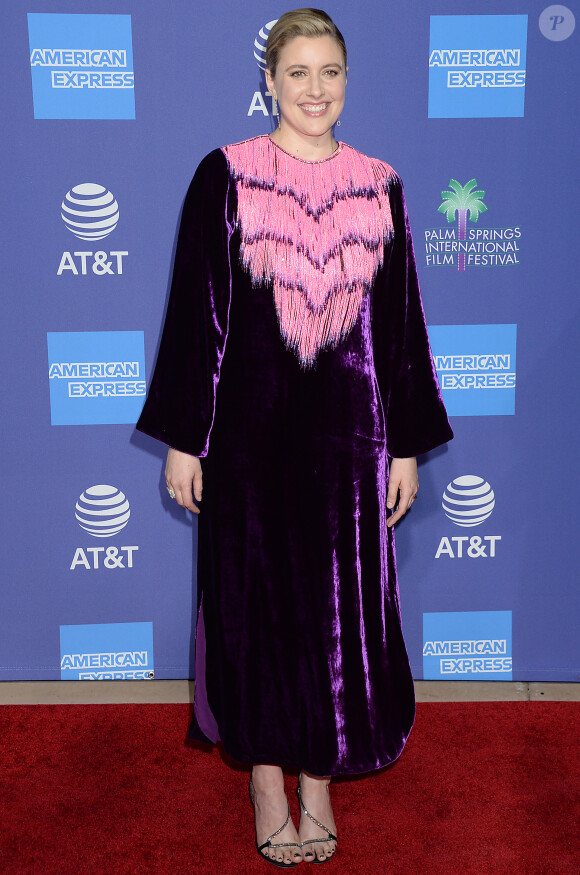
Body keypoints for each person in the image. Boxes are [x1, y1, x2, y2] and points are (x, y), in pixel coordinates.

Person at [137, 7, 453, 868]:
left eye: (331, 73)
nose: (315, 90)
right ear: (269, 81)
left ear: (348, 81)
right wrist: (182, 437)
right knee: (257, 613)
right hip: (247, 439)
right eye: (298, 73)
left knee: (335, 619)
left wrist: (405, 447)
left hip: (350, 446)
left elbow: (400, 328)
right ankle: (269, 778)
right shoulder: (227, 176)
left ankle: (321, 775)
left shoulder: (380, 183)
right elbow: (195, 318)